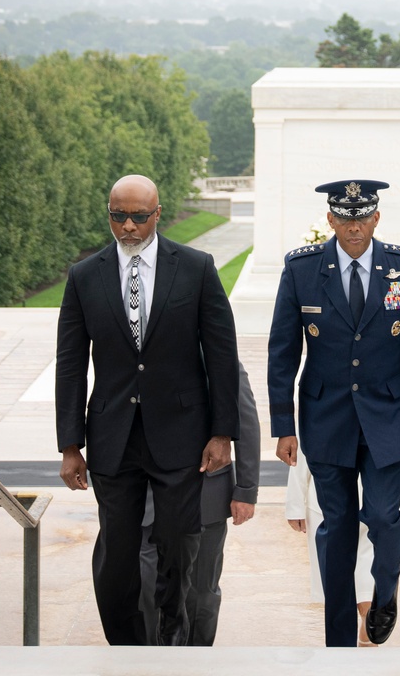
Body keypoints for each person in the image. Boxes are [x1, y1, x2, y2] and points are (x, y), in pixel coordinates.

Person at [55, 174, 240, 646]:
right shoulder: (84, 276)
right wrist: (70, 445)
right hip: (113, 437)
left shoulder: (196, 268)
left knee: (178, 547)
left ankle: (173, 642)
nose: (130, 227)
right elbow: (71, 365)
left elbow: (220, 353)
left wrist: (223, 433)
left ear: (158, 212)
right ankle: (127, 648)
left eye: (139, 216)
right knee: (117, 557)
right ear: (109, 215)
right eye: (120, 216)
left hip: (181, 435)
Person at [267, 178, 400, 647]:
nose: (353, 226)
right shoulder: (303, 270)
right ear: (330, 219)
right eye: (344, 217)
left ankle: (386, 592)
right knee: (337, 527)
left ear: (377, 218)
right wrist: (283, 426)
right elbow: (282, 353)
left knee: (386, 519)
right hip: (326, 418)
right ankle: (338, 640)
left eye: (362, 216)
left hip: (388, 414)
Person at [139, 360, 260, 646]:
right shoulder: (138, 354)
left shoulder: (217, 355)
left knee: (201, 591)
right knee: (145, 584)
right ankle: (149, 659)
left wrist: (246, 488)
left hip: (206, 496)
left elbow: (245, 418)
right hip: (147, 496)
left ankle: (195, 659)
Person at [285, 444, 400, 646]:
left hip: (380, 498)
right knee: (337, 576)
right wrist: (294, 504)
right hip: (327, 500)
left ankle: (369, 629)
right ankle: (356, 639)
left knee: (368, 577)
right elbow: (306, 442)